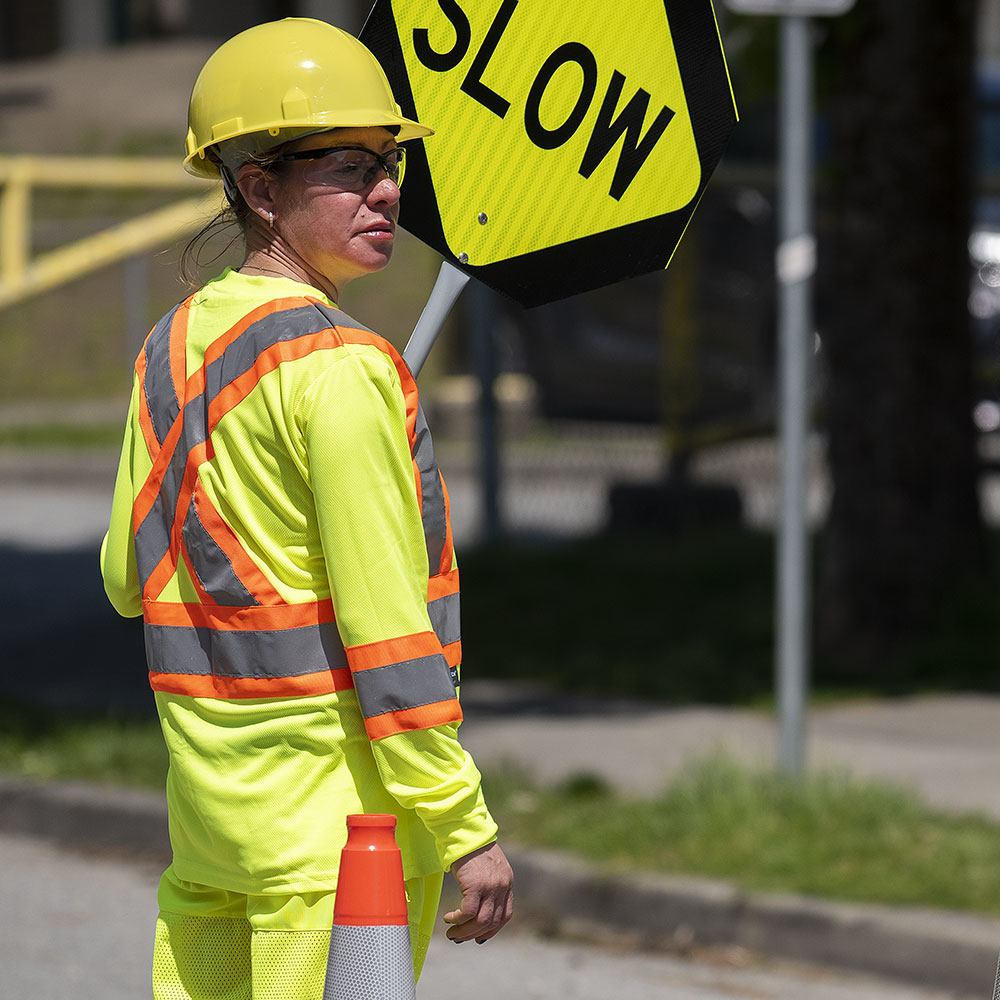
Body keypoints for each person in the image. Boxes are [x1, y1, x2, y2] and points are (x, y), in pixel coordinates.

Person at [100, 17, 513, 1000]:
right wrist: (464, 827)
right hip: (342, 843)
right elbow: (386, 630)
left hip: (211, 832)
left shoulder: (170, 348)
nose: (385, 190)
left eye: (388, 161)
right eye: (345, 166)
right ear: (259, 188)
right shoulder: (341, 368)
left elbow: (127, 578)